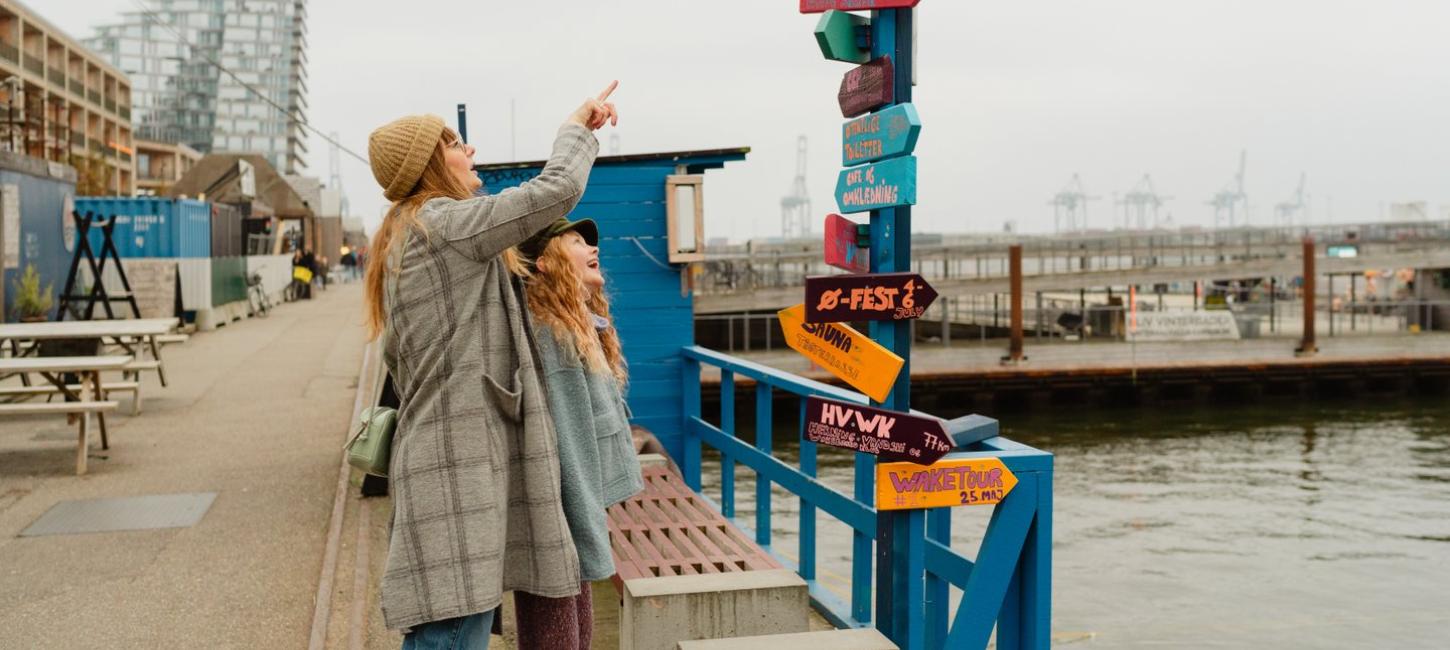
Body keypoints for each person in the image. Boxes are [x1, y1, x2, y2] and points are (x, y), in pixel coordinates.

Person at [363, 81, 619, 650]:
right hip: (454, 462)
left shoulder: (407, 234)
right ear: (431, 164)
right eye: (455, 142)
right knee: (454, 629)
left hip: (441, 453)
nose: (470, 150)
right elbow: (555, 192)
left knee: (458, 623)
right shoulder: (445, 223)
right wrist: (576, 128)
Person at [513, 217, 644, 648]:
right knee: (562, 632)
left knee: (572, 627)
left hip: (567, 515)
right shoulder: (554, 334)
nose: (591, 246)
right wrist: (588, 532)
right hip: (562, 517)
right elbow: (568, 442)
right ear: (546, 263)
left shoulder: (569, 323)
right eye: (575, 240)